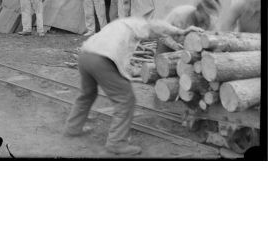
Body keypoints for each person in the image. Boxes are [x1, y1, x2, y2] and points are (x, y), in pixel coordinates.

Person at [64, 17, 205, 155]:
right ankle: (116, 142)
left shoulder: (119, 23)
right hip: (102, 59)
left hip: (85, 55)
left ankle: (73, 127)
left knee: (87, 93)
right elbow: (157, 26)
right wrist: (182, 31)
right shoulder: (137, 24)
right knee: (126, 100)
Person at [157, 0, 221, 53]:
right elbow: (162, 32)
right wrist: (174, 45)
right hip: (167, 49)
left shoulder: (210, 21)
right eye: (207, 15)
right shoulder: (179, 14)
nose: (208, 18)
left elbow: (214, 39)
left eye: (210, 15)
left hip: (189, 53)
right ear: (200, 10)